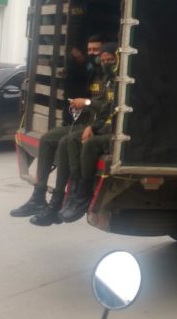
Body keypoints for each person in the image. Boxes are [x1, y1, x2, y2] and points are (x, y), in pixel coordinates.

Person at [9, 36, 103, 220]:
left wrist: (87, 103)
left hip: (98, 126)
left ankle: (58, 200)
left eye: (96, 50)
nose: (92, 54)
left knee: (64, 143)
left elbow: (107, 105)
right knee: (47, 139)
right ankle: (38, 196)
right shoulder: (92, 71)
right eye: (89, 50)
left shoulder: (108, 75)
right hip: (85, 121)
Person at [59, 42, 119, 223]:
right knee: (70, 140)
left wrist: (87, 106)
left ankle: (83, 195)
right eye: (103, 60)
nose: (105, 63)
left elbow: (107, 107)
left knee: (90, 143)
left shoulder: (120, 80)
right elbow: (106, 108)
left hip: (118, 131)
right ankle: (73, 193)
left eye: (110, 60)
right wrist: (93, 127)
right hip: (103, 125)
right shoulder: (106, 78)